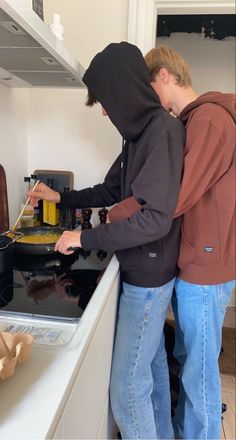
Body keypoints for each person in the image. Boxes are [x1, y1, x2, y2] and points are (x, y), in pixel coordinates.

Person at [28, 41, 185, 439]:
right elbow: (109, 189)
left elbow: (154, 220)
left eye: (105, 100)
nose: (103, 110)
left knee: (127, 391)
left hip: (149, 279)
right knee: (149, 374)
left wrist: (83, 236)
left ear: (122, 90)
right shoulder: (138, 136)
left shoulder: (162, 132)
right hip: (143, 271)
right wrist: (59, 197)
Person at [111, 45, 235, 440]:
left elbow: (174, 196)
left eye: (148, 86)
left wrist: (120, 212)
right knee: (188, 360)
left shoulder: (210, 120)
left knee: (199, 374)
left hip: (206, 267)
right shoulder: (194, 120)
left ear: (164, 76)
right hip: (196, 261)